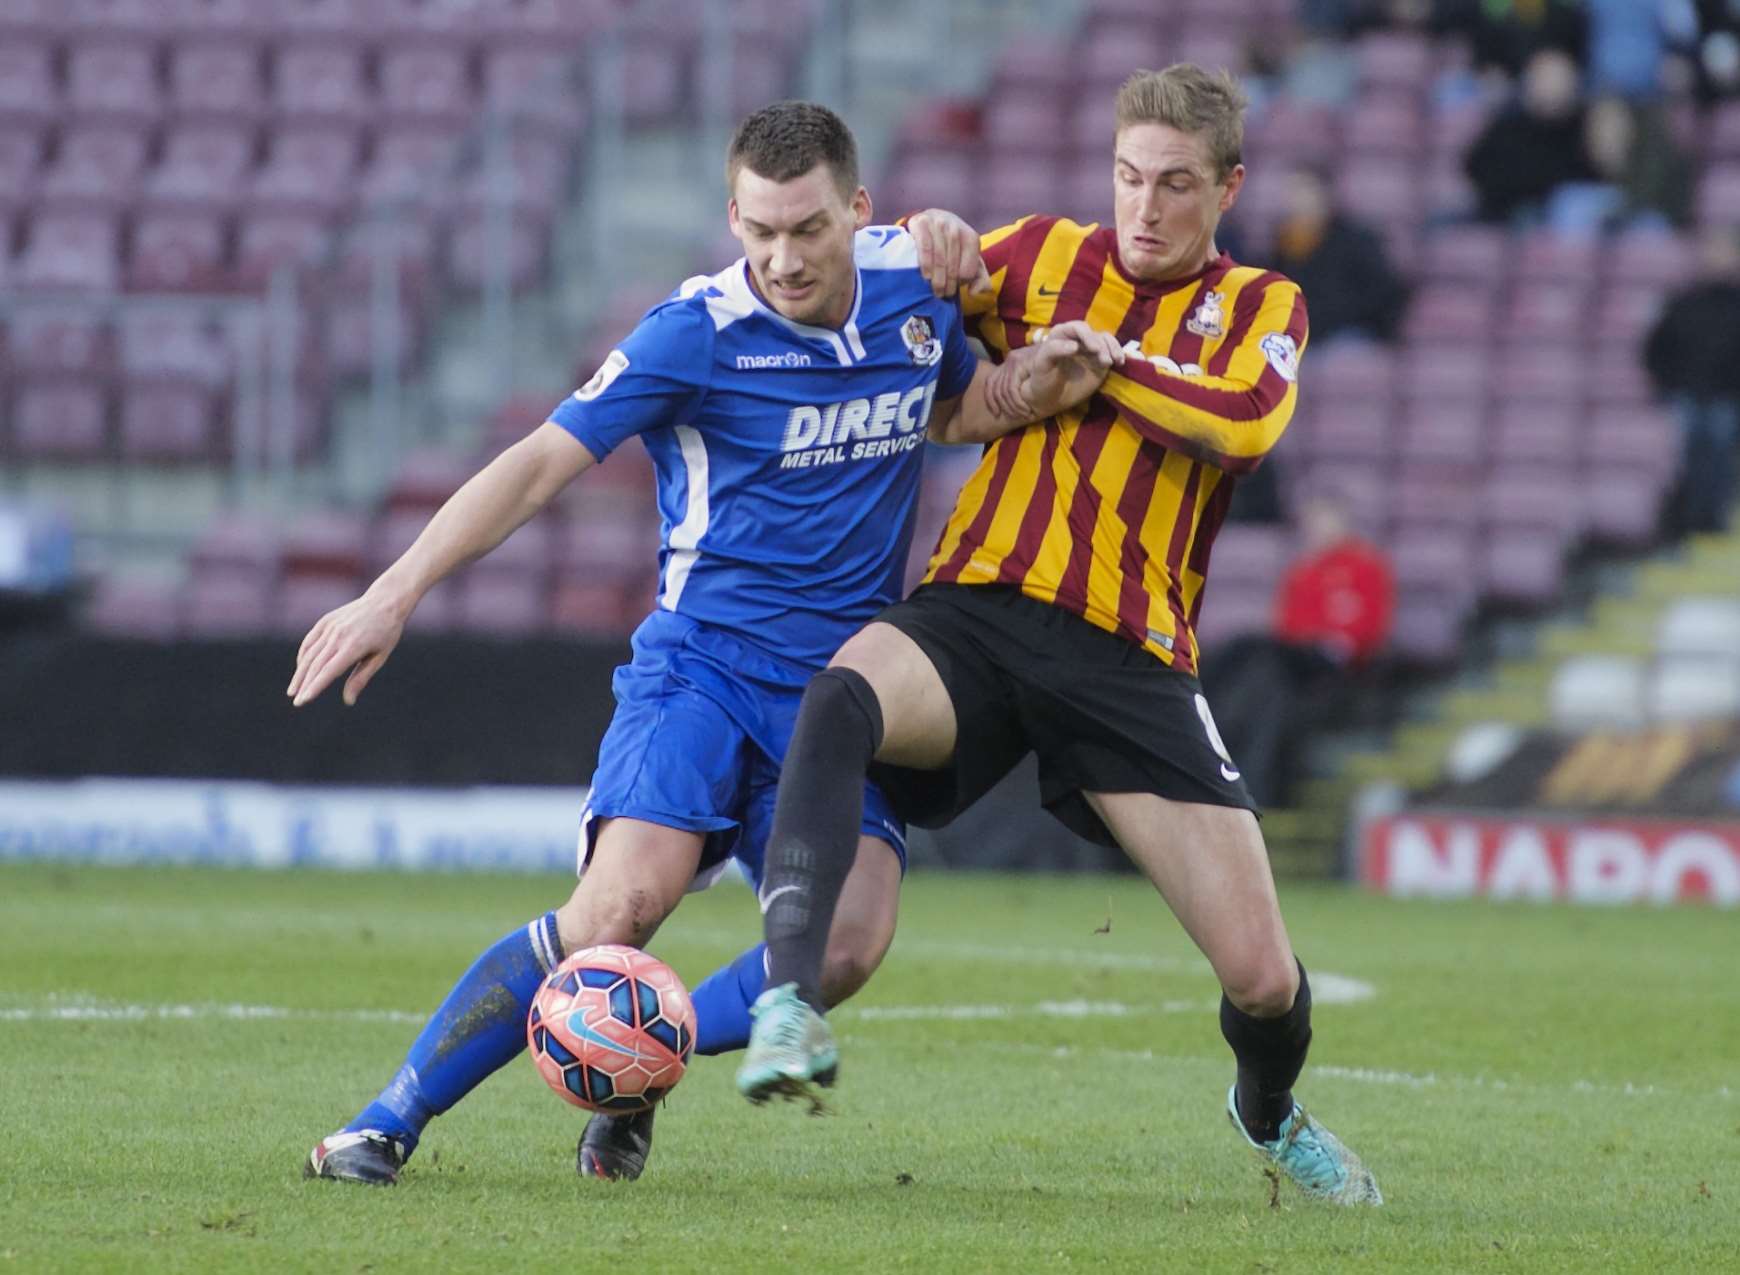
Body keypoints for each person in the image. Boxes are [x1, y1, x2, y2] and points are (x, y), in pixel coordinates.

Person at [290, 100, 1121, 1186]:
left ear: (857, 212)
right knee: (614, 914)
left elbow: (953, 409)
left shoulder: (920, 291)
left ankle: (637, 1063)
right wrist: (391, 594)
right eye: (761, 230)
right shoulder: (696, 332)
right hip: (704, 672)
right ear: (733, 217)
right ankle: (384, 1122)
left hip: (845, 690)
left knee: (846, 949)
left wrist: (1029, 388)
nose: (783, 257)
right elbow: (539, 463)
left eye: (809, 229)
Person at [739, 64, 1384, 1207]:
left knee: (1264, 978)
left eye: (1175, 186)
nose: (1144, 208)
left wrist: (1110, 364)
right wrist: (931, 237)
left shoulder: (1262, 307)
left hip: (1130, 657)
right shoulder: (1043, 254)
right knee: (843, 692)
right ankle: (787, 997)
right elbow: (920, 285)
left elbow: (1243, 423)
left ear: (1228, 188)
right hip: (977, 609)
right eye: (1129, 178)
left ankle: (1268, 1110)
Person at [1208, 494, 1396, 807]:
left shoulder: (1365, 567)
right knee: (1261, 669)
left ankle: (1215, 719)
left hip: (1335, 665)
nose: (1315, 530)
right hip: (1295, 662)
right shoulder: (1303, 571)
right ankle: (1253, 781)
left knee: (1253, 654)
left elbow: (1369, 632)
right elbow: (1288, 626)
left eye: (1322, 522)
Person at [1644, 226, 1740, 539]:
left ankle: (1714, 519)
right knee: (1680, 455)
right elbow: (1655, 350)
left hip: (1726, 397)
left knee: (1718, 447)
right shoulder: (1682, 302)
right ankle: (1681, 525)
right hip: (1685, 394)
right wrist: (1668, 385)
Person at [1269, 166, 1406, 346]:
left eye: (1305, 191)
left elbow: (1385, 293)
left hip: (1349, 332)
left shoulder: (1355, 240)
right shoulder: (1283, 242)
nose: (1297, 201)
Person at [1465, 48, 1598, 225]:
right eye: (1546, 79)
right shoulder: (1505, 130)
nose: (1553, 88)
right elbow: (1478, 172)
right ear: (1530, 82)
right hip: (1509, 222)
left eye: (1560, 80)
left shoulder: (1588, 129)